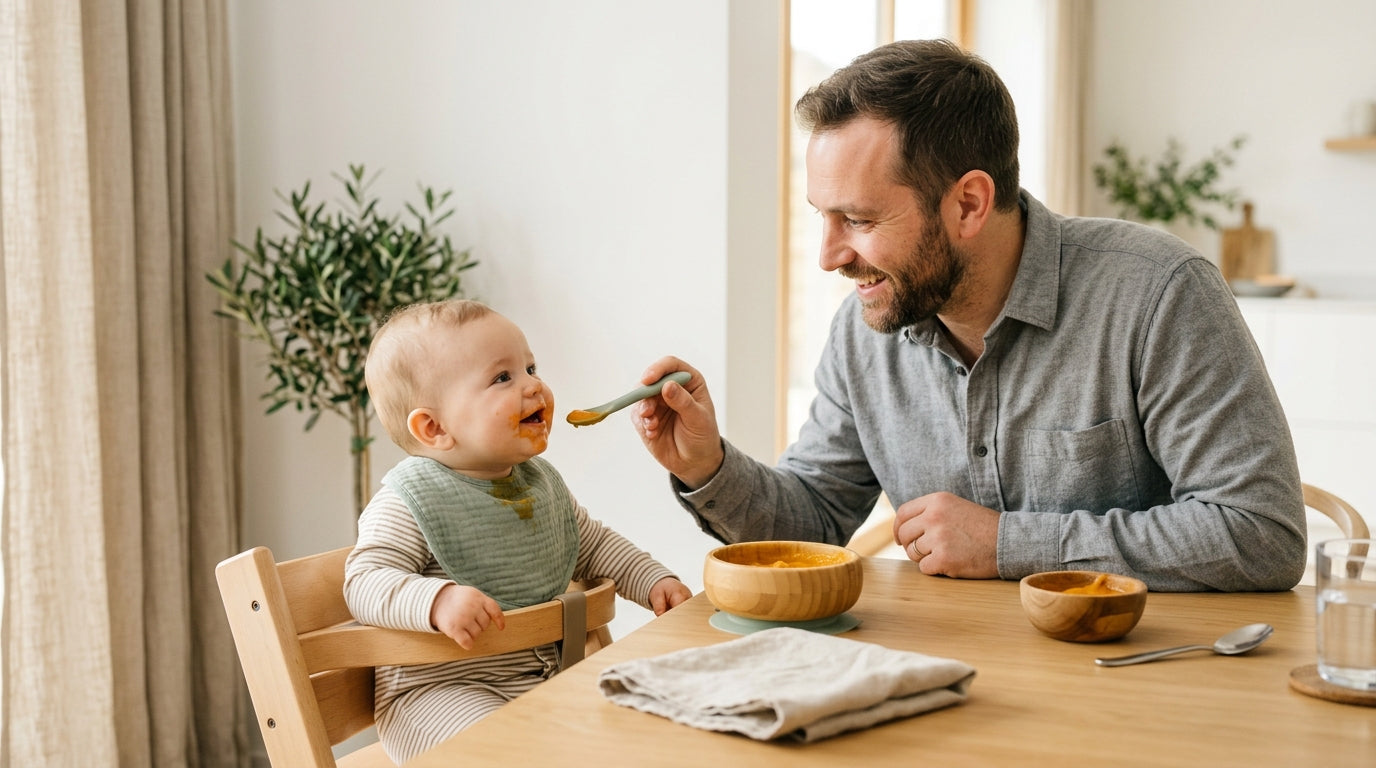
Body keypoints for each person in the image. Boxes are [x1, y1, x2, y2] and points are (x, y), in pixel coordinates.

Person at [631, 39, 1306, 593]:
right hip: (953, 684)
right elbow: (816, 522)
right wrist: (708, 466)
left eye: (860, 220)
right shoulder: (865, 329)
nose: (830, 256)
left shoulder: (1157, 293)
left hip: (1140, 686)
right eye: (824, 219)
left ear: (968, 204)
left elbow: (1259, 533)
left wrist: (1010, 543)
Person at [345, 299, 692, 763]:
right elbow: (363, 580)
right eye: (502, 377)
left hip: (542, 682)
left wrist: (652, 580)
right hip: (438, 694)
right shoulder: (410, 500)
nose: (534, 386)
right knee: (504, 753)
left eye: (530, 367)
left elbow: (591, 543)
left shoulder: (538, 484)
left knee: (647, 729)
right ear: (433, 427)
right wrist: (436, 600)